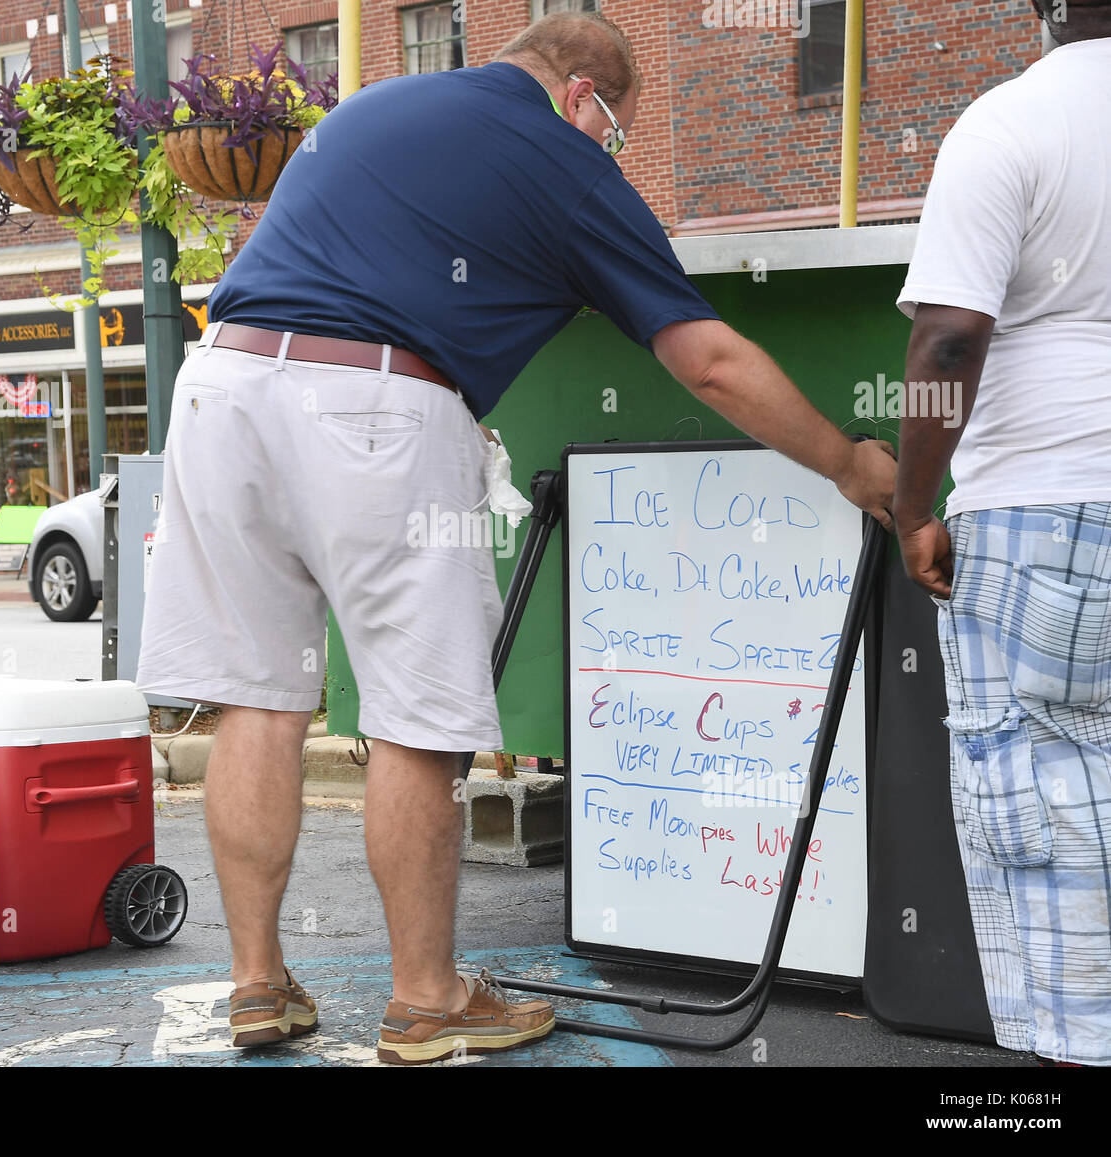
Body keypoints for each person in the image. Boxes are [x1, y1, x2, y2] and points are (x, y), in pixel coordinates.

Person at [137, 11, 896, 1065]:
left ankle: (257, 982)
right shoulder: (561, 156)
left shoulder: (378, 104)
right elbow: (710, 358)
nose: (607, 156)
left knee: (257, 698)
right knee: (416, 719)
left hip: (221, 388)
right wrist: (852, 464)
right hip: (374, 406)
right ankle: (427, 997)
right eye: (614, 135)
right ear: (582, 94)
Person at [893, 0, 1111, 1068]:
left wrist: (913, 504)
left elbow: (945, 343)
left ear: (1041, 8)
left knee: (1042, 802)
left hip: (1042, 496)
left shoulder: (1010, 123)